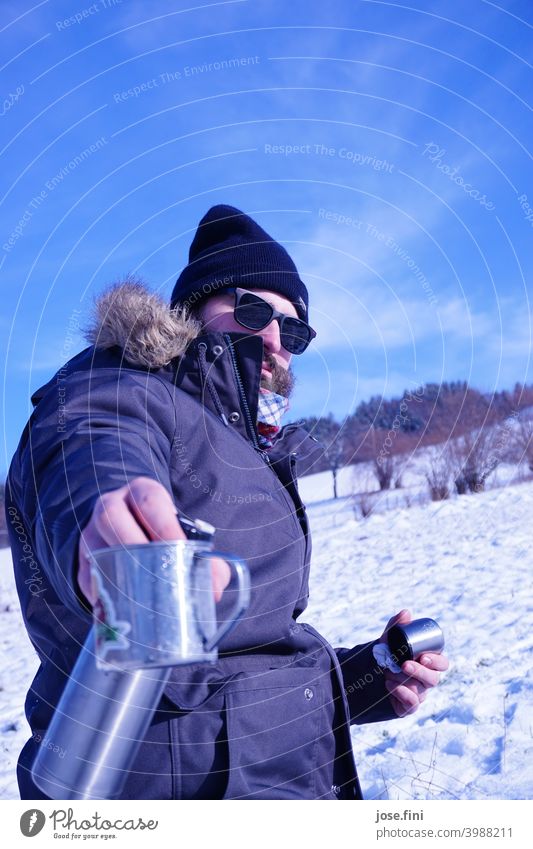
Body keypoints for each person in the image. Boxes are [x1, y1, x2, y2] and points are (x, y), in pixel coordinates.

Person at [6, 204, 448, 800]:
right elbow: (95, 444)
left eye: (293, 331)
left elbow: (250, 672)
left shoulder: (254, 453)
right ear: (190, 317)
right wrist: (108, 523)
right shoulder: (119, 389)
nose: (273, 338)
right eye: (250, 310)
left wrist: (373, 674)